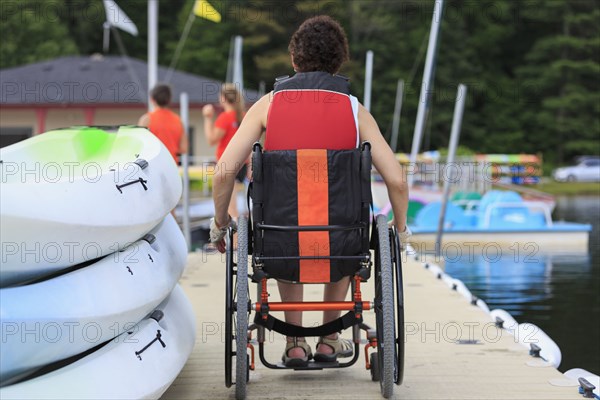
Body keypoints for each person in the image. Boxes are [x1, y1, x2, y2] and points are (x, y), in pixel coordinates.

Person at [209, 16, 409, 366]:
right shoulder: (353, 109)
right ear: (339, 60)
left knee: (285, 232)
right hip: (343, 241)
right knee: (347, 227)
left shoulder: (267, 105)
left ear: (293, 58)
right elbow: (397, 180)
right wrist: (402, 229)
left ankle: (295, 343)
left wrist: (219, 221)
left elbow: (224, 172)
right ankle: (331, 339)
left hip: (281, 238)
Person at [202, 83, 247, 221]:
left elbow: (211, 140)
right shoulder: (244, 116)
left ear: (223, 98)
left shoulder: (225, 118)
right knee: (243, 209)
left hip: (226, 164)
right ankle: (240, 239)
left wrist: (208, 118)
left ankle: (234, 242)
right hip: (243, 164)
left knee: (231, 210)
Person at [138, 84, 188, 164]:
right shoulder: (178, 120)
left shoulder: (146, 119)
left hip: (153, 164)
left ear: (152, 99)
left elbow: (139, 145)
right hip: (171, 165)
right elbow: (184, 149)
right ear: (169, 100)